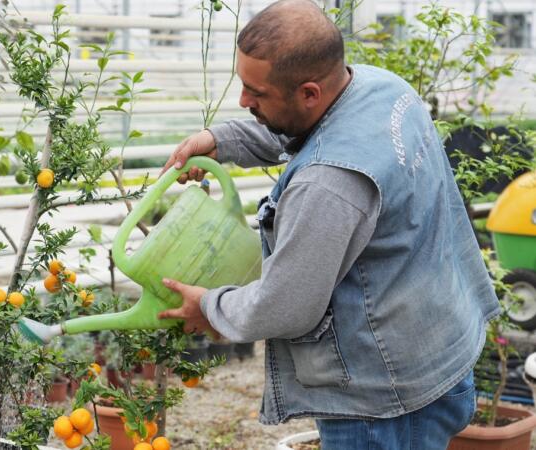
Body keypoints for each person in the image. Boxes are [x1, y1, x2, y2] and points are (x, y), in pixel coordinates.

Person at [156, 1, 500, 448]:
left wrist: (209, 306)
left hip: (380, 402)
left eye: (255, 93)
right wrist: (222, 140)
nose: (243, 101)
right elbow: (313, 128)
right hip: (441, 350)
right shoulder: (384, 90)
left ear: (310, 92)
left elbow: (285, 306)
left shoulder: (328, 185)